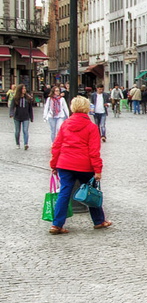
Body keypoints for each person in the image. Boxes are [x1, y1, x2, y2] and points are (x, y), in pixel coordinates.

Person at [49, 96, 111, 234]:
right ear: (87, 108)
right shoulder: (91, 127)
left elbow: (57, 146)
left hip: (64, 164)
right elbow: (94, 151)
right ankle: (99, 221)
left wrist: (54, 164)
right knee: (91, 191)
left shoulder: (65, 124)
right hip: (84, 166)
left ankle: (56, 225)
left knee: (64, 194)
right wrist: (97, 170)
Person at [9, 84, 34, 150]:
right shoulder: (15, 98)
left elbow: (30, 109)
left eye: (25, 88)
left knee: (25, 130)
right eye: (23, 89)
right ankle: (17, 143)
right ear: (20, 90)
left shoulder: (28, 98)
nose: (24, 90)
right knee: (17, 131)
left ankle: (26, 143)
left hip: (26, 116)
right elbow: (12, 107)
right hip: (17, 116)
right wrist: (11, 113)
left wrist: (31, 117)